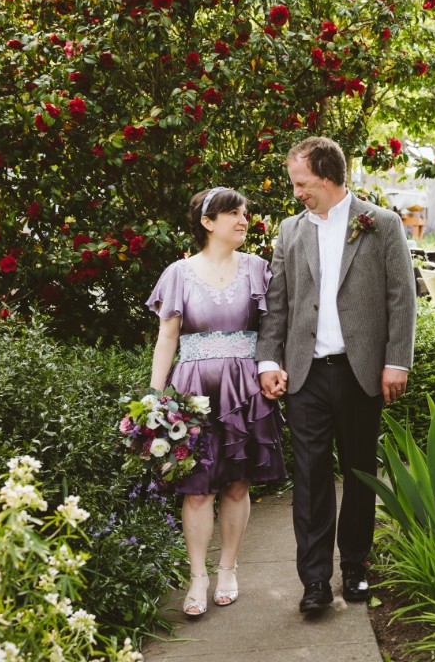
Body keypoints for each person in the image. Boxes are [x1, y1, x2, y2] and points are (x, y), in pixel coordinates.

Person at [256, 136, 417, 614]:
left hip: (360, 372)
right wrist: (269, 360)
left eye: (301, 183)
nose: (296, 192)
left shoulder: (381, 224)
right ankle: (315, 582)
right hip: (305, 374)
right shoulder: (290, 230)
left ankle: (356, 569)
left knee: (360, 473)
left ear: (326, 176)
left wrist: (397, 360)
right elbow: (278, 302)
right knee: (309, 480)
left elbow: (401, 298)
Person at [147, 187, 287, 617]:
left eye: (246, 213)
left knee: (238, 483)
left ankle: (228, 567)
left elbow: (275, 328)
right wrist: (155, 399)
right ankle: (197, 576)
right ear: (208, 222)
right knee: (197, 490)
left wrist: (273, 366)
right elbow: (167, 337)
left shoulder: (259, 269)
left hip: (245, 388)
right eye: (233, 213)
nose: (243, 220)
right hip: (193, 390)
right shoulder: (178, 273)